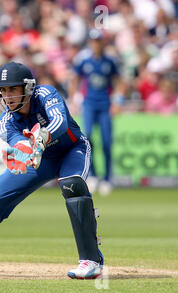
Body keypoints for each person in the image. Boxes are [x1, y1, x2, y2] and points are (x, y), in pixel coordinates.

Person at [0, 61, 103, 279]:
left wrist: (42, 137)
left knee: (72, 185)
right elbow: (19, 144)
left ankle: (91, 261)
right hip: (40, 159)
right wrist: (25, 152)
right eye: (3, 90)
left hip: (72, 149)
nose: (8, 95)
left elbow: (60, 122)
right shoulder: (5, 121)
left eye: (13, 89)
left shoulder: (46, 94)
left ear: (28, 88)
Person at [68, 29, 122, 196]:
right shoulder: (84, 61)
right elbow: (75, 79)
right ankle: (92, 174)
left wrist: (117, 101)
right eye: (93, 41)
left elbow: (119, 82)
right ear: (90, 43)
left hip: (105, 105)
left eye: (98, 41)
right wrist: (73, 100)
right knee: (88, 139)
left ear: (102, 43)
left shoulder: (109, 61)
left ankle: (107, 178)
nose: (96, 45)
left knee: (106, 142)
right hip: (89, 104)